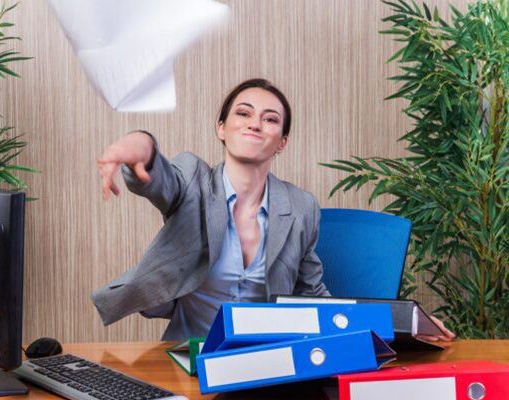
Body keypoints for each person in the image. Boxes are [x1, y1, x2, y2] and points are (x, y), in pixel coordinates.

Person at [93, 78, 454, 342]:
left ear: (281, 142)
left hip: (268, 359)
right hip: (187, 355)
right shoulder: (193, 179)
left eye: (270, 119)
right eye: (244, 113)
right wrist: (141, 146)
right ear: (222, 128)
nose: (255, 123)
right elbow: (158, 179)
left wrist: (404, 323)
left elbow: (314, 296)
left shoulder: (300, 206)